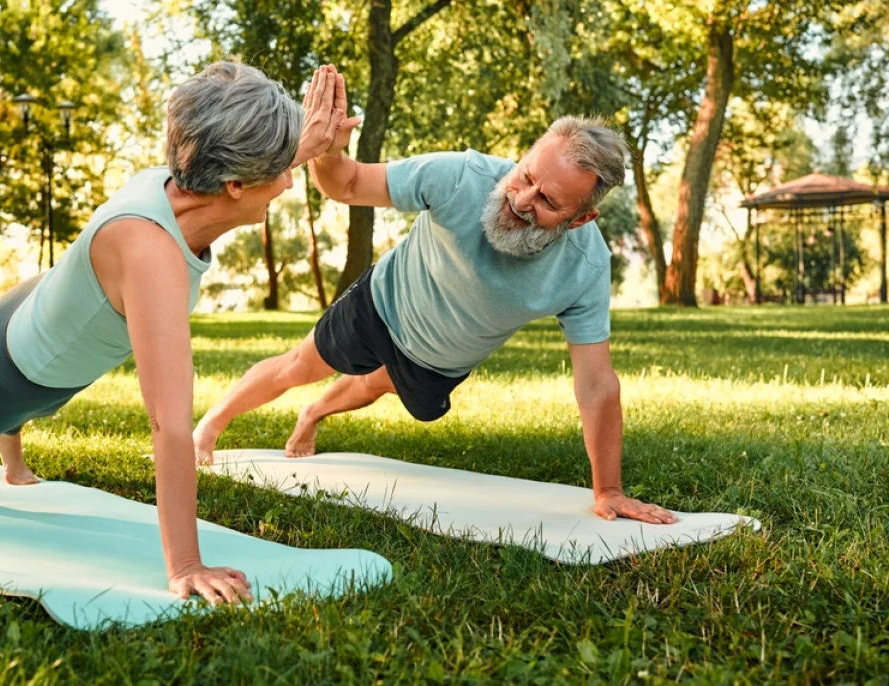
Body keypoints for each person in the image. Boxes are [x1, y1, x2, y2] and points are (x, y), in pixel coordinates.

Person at [0, 62, 355, 605]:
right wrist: (187, 565)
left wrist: (306, 146)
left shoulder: (182, 178)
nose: (289, 182)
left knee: (42, 397)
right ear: (235, 183)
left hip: (43, 320)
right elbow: (169, 423)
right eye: (281, 170)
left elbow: (234, 170)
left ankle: (9, 441)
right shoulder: (151, 255)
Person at [193, 67, 677, 526]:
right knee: (299, 366)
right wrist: (330, 154)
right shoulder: (461, 176)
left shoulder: (585, 267)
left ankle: (314, 411)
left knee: (375, 386)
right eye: (526, 176)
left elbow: (596, 383)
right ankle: (211, 425)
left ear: (580, 219)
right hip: (382, 304)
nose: (522, 200)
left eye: (548, 201)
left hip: (440, 361)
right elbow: (348, 184)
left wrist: (608, 490)